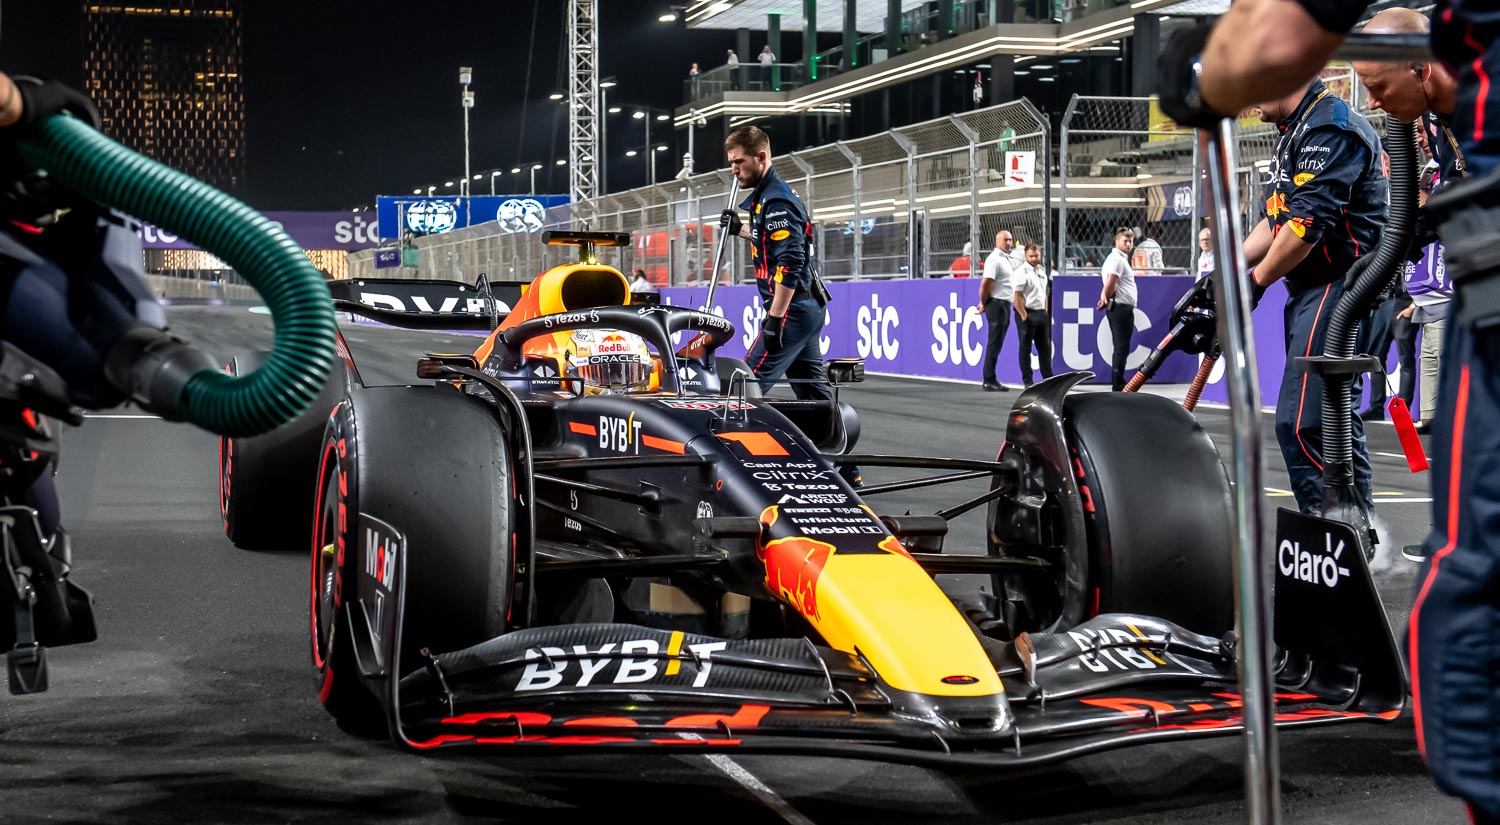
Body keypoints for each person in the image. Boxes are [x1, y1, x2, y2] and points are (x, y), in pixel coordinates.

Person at [1159, 4, 1497, 818]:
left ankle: (1340, 551)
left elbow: (1304, 228)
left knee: (1303, 423)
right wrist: (1219, 277)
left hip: (1350, 285)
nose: (1375, 101)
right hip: (1348, 284)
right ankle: (1348, 547)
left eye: (1381, 85)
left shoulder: (1334, 121)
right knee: (1318, 424)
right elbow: (1276, 219)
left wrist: (1247, 283)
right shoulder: (1313, 130)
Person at [719, 125, 828, 401]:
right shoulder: (768, 196)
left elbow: (791, 262)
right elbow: (772, 239)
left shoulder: (777, 201)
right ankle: (835, 428)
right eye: (731, 163)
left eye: (739, 161)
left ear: (761, 157)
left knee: (742, 389)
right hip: (805, 306)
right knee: (814, 395)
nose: (734, 169)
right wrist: (740, 229)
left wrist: (776, 319)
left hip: (792, 310)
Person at [1097, 227, 1137, 391]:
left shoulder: (1115, 259)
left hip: (1119, 306)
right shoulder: (1118, 260)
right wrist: (1105, 296)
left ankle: (1118, 382)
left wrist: (1104, 296)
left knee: (1120, 347)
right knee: (1121, 347)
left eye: (1131, 241)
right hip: (1121, 307)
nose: (1128, 244)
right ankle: (1118, 384)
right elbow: (1111, 281)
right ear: (1116, 241)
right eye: (1125, 241)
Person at [978, 229, 1016, 391]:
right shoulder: (994, 259)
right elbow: (986, 284)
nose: (1008, 243)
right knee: (994, 342)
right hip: (997, 303)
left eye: (1010, 240)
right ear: (997, 241)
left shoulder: (1007, 259)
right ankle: (989, 379)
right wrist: (984, 302)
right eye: (1005, 240)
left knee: (997, 342)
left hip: (1004, 303)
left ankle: (991, 378)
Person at [1012, 242, 1054, 387]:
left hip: (1041, 313)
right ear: (1025, 256)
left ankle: (1048, 379)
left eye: (1036, 256)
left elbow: (1045, 294)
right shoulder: (1021, 273)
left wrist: (1045, 311)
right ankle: (1028, 381)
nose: (1034, 258)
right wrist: (1024, 316)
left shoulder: (1042, 272)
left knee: (1045, 348)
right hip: (1027, 313)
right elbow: (1017, 297)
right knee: (1025, 348)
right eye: (1031, 256)